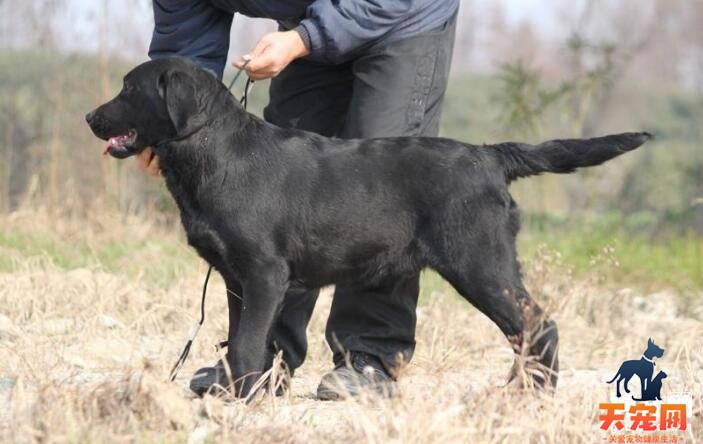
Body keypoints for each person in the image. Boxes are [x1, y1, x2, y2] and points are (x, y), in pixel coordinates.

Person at [141, 0, 459, 399]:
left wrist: (304, 40)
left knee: (380, 191)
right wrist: (167, 126)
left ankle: (370, 356)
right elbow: (184, 49)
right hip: (308, 22)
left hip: (399, 19)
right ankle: (259, 359)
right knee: (276, 191)